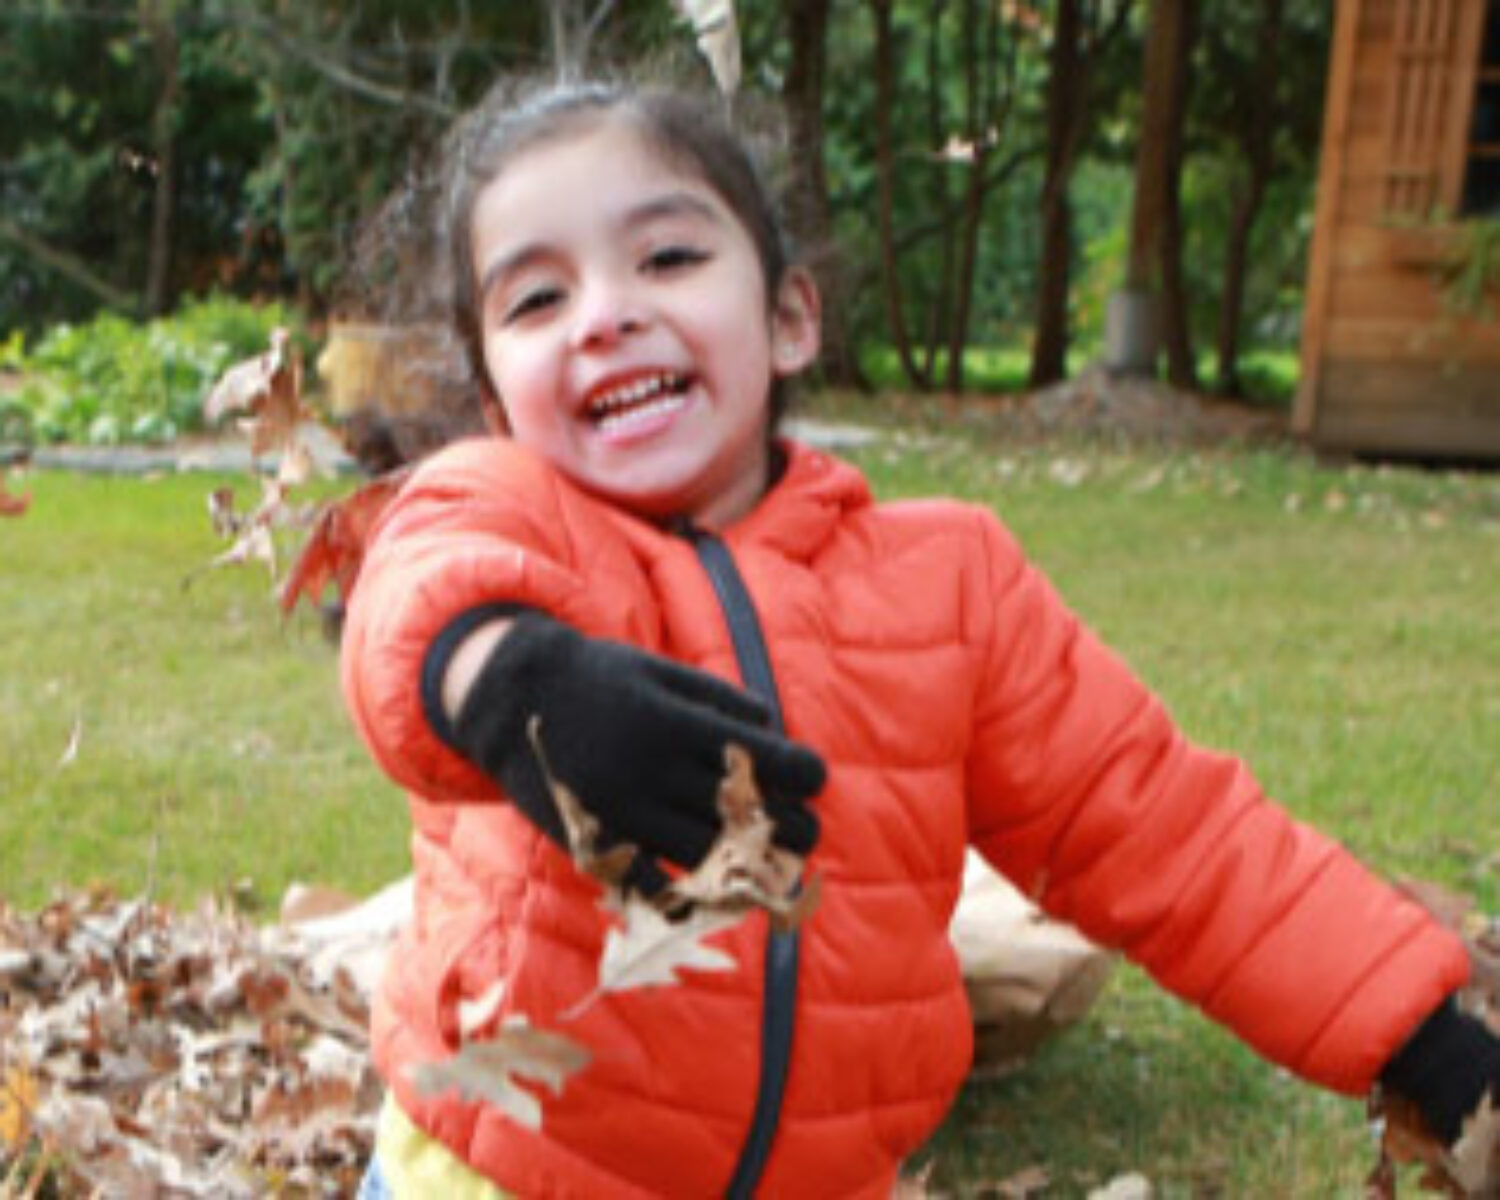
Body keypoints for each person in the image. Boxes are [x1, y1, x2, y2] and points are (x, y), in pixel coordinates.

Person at [340, 77, 1499, 1198]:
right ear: (494, 403)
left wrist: (1423, 1039)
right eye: (536, 300)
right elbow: (418, 601)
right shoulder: (502, 511)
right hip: (506, 1176)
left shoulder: (949, 583)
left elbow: (1166, 831)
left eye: (670, 257)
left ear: (790, 317)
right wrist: (510, 678)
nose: (606, 314)